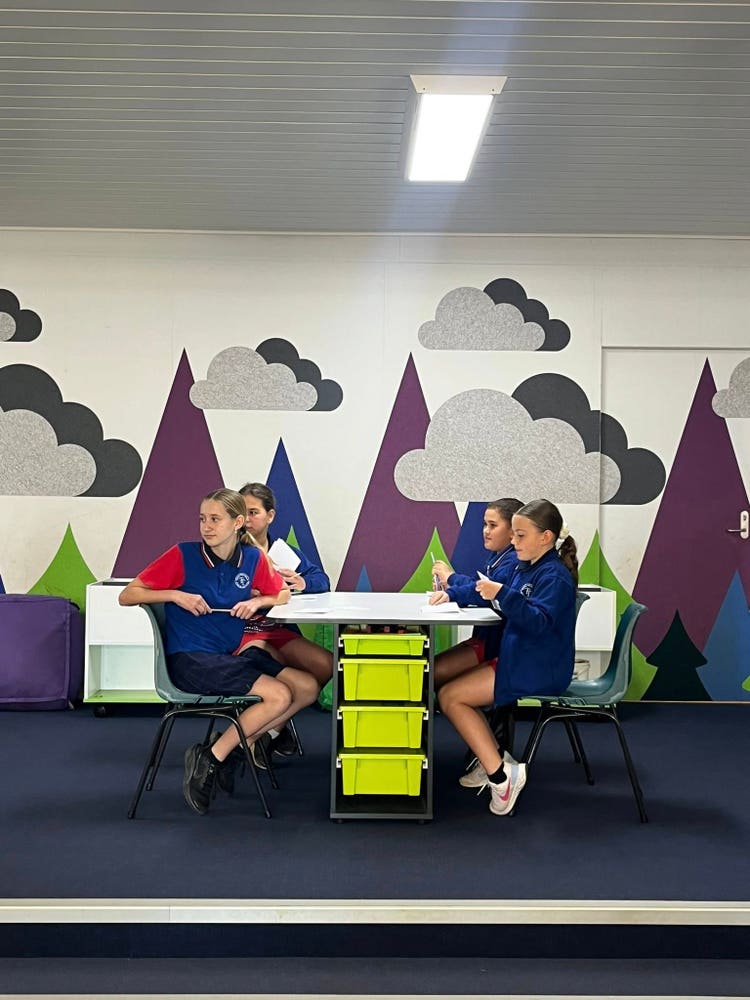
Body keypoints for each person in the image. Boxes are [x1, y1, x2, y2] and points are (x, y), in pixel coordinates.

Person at [119, 488, 320, 815]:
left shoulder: (253, 558)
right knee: (279, 695)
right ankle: (211, 758)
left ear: (237, 523)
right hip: (191, 659)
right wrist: (175, 595)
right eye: (203, 519)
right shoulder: (182, 555)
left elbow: (282, 594)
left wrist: (258, 601)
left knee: (308, 686)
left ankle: (232, 749)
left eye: (215, 519)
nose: (206, 526)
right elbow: (127, 595)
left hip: (231, 655)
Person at [438, 499, 578, 817]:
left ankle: (501, 777)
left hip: (537, 667)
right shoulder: (526, 567)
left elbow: (538, 622)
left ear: (546, 537)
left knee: (451, 697)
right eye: (513, 534)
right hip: (520, 659)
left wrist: (503, 594)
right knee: (449, 694)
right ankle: (494, 762)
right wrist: (469, 592)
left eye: (520, 535)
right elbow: (497, 597)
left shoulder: (554, 577)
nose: (513, 542)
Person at [237, 482, 334, 755]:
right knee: (283, 669)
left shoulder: (281, 551)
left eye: (253, 512)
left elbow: (322, 580)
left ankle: (270, 730)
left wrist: (302, 582)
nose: (247, 519)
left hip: (279, 629)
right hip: (245, 630)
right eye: (242, 513)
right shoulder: (231, 550)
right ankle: (263, 729)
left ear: (270, 516)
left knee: (326, 664)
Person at [428, 498, 523, 692]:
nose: (486, 531)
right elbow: (477, 585)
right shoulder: (499, 557)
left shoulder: (513, 561)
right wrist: (451, 583)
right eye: (485, 524)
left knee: (433, 674)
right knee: (431, 672)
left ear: (512, 531)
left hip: (494, 644)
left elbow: (482, 592)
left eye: (493, 525)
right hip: (484, 639)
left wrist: (451, 587)